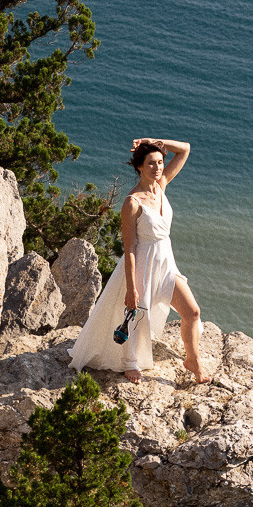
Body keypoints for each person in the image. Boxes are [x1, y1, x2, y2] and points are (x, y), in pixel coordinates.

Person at [69, 137, 206, 384]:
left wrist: (154, 141)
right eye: (151, 163)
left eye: (161, 162)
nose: (158, 167)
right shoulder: (132, 202)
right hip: (142, 265)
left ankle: (192, 360)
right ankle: (130, 363)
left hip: (165, 263)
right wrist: (131, 288)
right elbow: (130, 248)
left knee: (192, 312)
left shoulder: (162, 185)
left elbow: (185, 149)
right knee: (135, 315)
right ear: (139, 167)